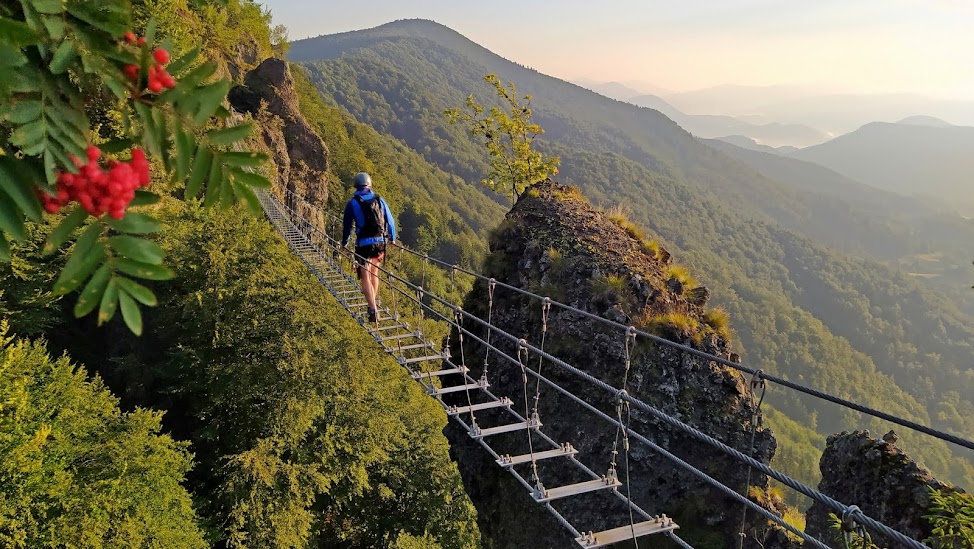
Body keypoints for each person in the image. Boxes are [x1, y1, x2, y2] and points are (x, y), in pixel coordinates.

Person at [340, 172, 397, 323]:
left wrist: (344, 242)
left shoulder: (352, 203)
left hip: (364, 245)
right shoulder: (380, 200)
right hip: (380, 243)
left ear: (356, 186)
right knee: (374, 274)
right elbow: (390, 221)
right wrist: (392, 238)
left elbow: (347, 226)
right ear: (369, 184)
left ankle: (372, 309)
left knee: (365, 276)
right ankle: (373, 305)